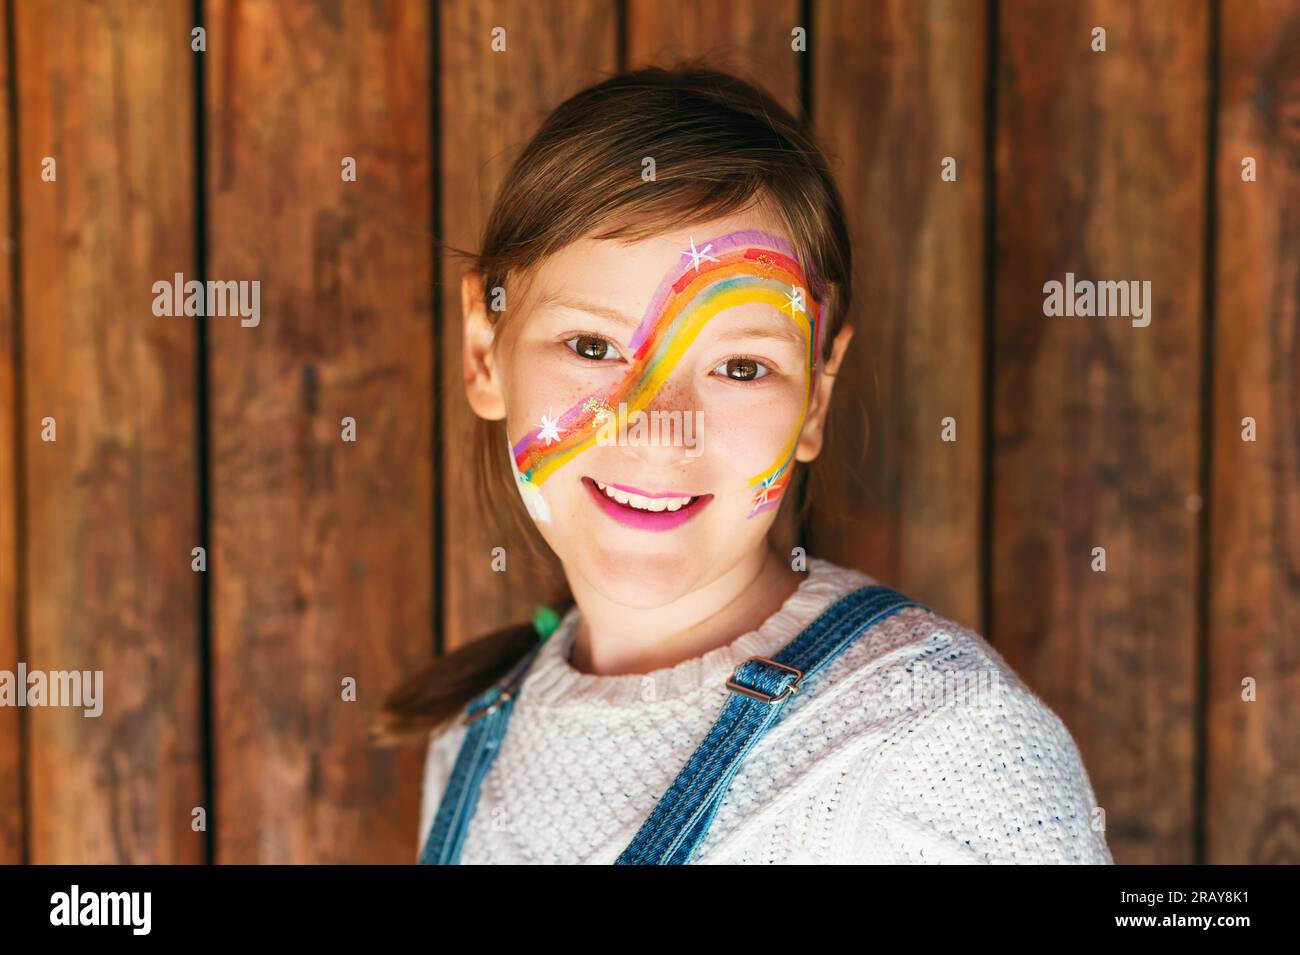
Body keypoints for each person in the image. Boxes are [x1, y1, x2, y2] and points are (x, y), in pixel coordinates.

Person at [378, 64, 1113, 865]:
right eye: (592, 346)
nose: (659, 429)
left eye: (739, 366)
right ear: (485, 352)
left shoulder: (939, 741)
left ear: (817, 397)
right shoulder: (470, 740)